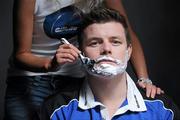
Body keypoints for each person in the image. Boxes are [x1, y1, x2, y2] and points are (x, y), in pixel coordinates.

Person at [4, 0, 162, 119]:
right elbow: (20, 54)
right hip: (31, 85)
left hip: (75, 83)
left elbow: (127, 34)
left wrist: (144, 78)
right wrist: (50, 64)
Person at [40, 7, 180, 120]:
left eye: (115, 42)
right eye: (94, 43)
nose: (106, 49)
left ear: (129, 51)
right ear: (81, 52)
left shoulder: (162, 110)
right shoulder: (56, 110)